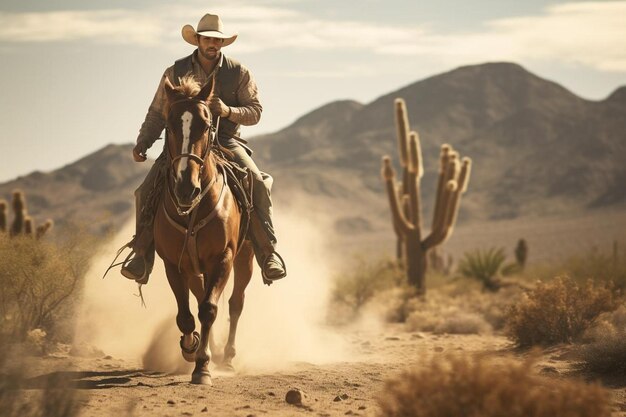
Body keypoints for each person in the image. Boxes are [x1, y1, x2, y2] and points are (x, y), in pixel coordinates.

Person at [121, 13, 287, 284]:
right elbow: (157, 113)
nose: (213, 44)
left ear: (223, 43)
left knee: (256, 181)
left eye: (218, 40)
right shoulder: (174, 71)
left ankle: (268, 252)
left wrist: (228, 110)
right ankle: (141, 255)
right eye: (208, 38)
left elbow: (255, 112)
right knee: (145, 191)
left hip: (227, 142)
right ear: (197, 40)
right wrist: (144, 142)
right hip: (183, 145)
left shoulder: (239, 72)